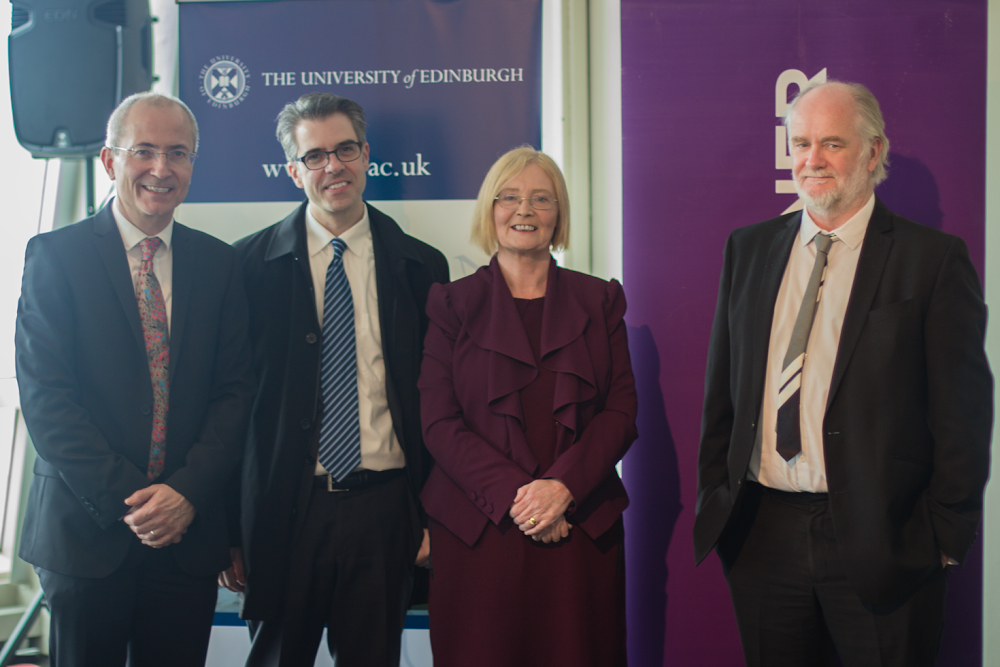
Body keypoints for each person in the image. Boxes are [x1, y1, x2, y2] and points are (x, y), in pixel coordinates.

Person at [694, 80, 993, 666]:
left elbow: (963, 413)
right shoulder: (748, 249)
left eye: (832, 143)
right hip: (762, 535)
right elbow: (721, 395)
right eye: (801, 143)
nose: (813, 160)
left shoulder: (932, 260)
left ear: (873, 152)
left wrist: (945, 535)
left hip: (884, 538)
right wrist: (717, 499)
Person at [14, 91, 255, 667]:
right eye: (143, 150)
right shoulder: (55, 257)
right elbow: (47, 400)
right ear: (109, 160)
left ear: (193, 164)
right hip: (86, 532)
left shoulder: (220, 265)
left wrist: (185, 495)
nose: (160, 168)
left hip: (186, 536)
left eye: (178, 153)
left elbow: (235, 394)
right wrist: (137, 505)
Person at [223, 92, 448, 667]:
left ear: (366, 155)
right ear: (293, 171)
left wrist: (434, 515)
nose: (334, 166)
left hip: (385, 511)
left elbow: (440, 405)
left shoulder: (422, 266)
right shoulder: (246, 268)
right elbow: (228, 407)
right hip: (284, 511)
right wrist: (229, 530)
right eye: (315, 156)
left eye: (345, 149)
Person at [418, 146, 637, 666]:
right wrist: (525, 500)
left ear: (559, 213)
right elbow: (439, 422)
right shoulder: (451, 304)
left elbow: (621, 412)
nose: (524, 210)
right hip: (479, 531)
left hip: (578, 526)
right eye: (509, 197)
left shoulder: (600, 300)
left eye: (542, 199)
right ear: (489, 210)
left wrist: (562, 489)